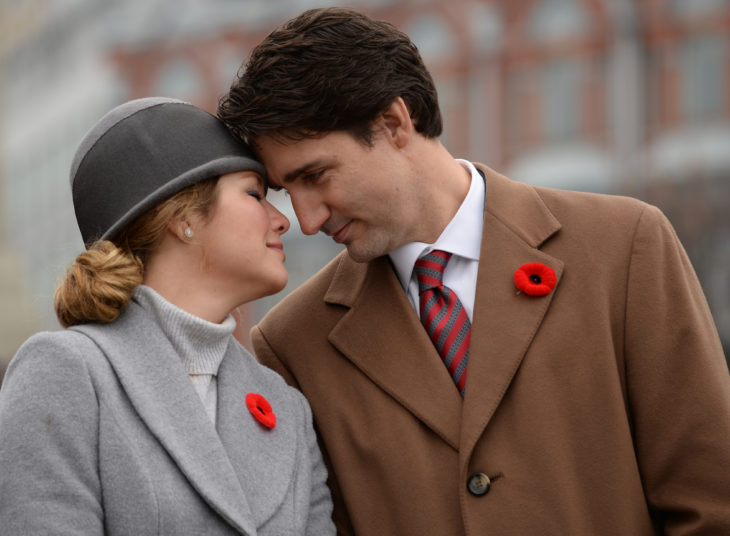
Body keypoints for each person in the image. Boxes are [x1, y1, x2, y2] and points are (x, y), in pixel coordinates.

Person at [216, 7, 730, 536]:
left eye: (316, 175)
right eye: (286, 189)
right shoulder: (292, 344)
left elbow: (712, 505)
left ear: (394, 122)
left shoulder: (624, 246)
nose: (305, 218)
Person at [0, 97, 335, 535]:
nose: (281, 220)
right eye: (254, 194)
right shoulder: (69, 373)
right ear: (183, 216)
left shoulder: (286, 408)